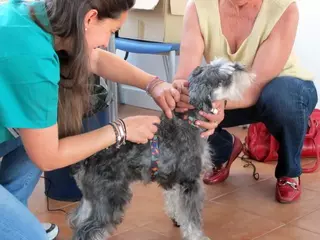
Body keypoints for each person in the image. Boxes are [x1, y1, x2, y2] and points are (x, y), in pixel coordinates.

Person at [0, 0, 186, 239]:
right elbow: (48, 157)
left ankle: (13, 213)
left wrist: (154, 84)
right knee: (30, 236)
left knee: (45, 127)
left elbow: (95, 58)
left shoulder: (41, 16)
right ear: (89, 19)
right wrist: (121, 129)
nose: (107, 41)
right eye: (111, 31)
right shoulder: (32, 58)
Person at [173, 0, 318, 204]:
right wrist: (181, 93)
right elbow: (185, 74)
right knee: (184, 104)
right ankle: (224, 149)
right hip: (228, 92)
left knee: (280, 99)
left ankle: (289, 171)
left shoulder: (284, 7)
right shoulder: (198, 7)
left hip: (283, 88)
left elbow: (256, 82)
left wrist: (220, 103)